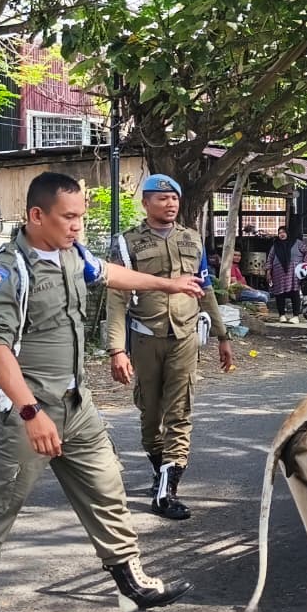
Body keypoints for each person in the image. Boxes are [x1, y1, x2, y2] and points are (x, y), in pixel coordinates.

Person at [0, 172, 206, 612]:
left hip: (77, 404)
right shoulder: (6, 270)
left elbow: (111, 274)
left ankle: (131, 582)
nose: (77, 225)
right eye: (68, 217)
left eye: (81, 217)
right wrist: (31, 414)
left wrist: (168, 284)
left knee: (107, 491)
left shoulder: (73, 254)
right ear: (36, 215)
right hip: (27, 411)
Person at [107, 174, 236, 521]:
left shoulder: (192, 239)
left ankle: (167, 491)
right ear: (146, 203)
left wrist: (223, 336)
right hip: (145, 337)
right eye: (162, 198)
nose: (170, 204)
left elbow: (204, 290)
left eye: (174, 198)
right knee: (150, 414)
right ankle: (160, 470)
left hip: (185, 337)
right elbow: (117, 298)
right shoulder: (127, 243)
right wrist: (117, 350)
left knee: (180, 411)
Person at [266, 225, 307, 322]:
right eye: (279, 233)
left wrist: (304, 264)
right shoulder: (275, 246)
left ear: (287, 233)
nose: (281, 234)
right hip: (278, 275)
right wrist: (268, 272)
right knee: (279, 294)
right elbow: (270, 259)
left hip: (293, 274)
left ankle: (295, 316)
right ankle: (282, 315)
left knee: (295, 293)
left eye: (283, 232)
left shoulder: (297, 243)